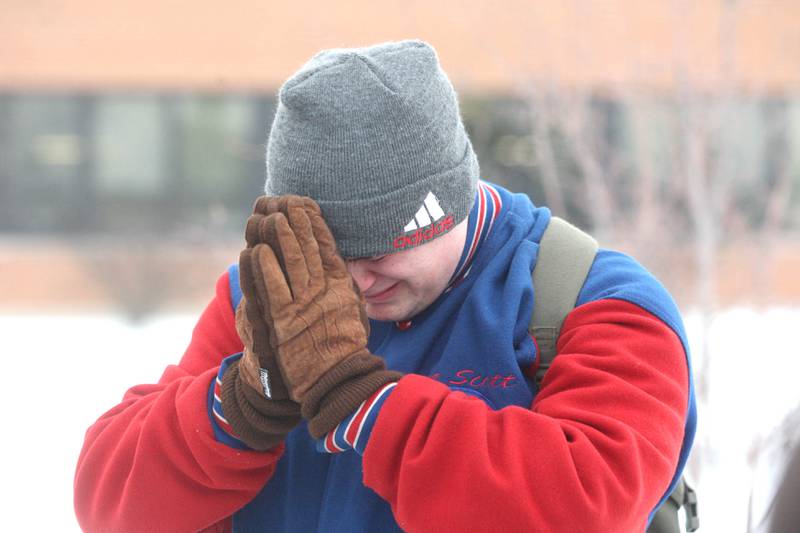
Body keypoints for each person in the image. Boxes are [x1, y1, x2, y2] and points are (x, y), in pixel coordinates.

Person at [74, 40, 696, 532]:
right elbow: (109, 504)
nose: (353, 282)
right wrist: (242, 404)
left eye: (378, 251)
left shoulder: (592, 304)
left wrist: (366, 404)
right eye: (330, 254)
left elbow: (590, 509)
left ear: (447, 207)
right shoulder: (265, 302)